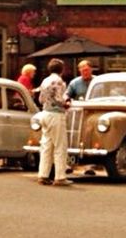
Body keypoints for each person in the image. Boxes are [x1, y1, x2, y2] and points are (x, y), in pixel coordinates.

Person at [37, 58, 71, 186]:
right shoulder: (59, 81)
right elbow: (59, 99)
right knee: (60, 146)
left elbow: (40, 99)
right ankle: (60, 177)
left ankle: (43, 175)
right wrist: (66, 103)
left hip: (45, 113)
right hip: (56, 114)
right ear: (61, 69)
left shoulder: (45, 81)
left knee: (46, 146)